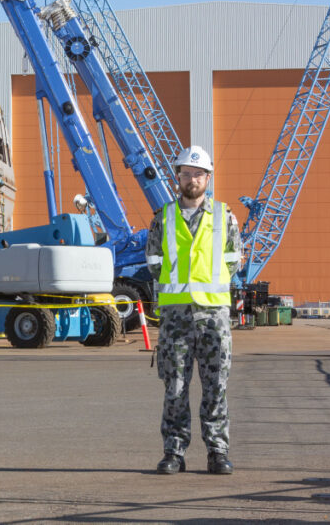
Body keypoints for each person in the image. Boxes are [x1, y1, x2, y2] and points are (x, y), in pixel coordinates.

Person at [145, 145, 241, 476]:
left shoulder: (225, 217)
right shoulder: (163, 218)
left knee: (216, 386)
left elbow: (234, 260)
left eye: (198, 174)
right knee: (174, 386)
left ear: (208, 178)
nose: (192, 179)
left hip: (214, 315)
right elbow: (154, 262)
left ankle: (217, 451)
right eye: (186, 173)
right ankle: (173, 452)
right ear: (178, 178)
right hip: (175, 317)